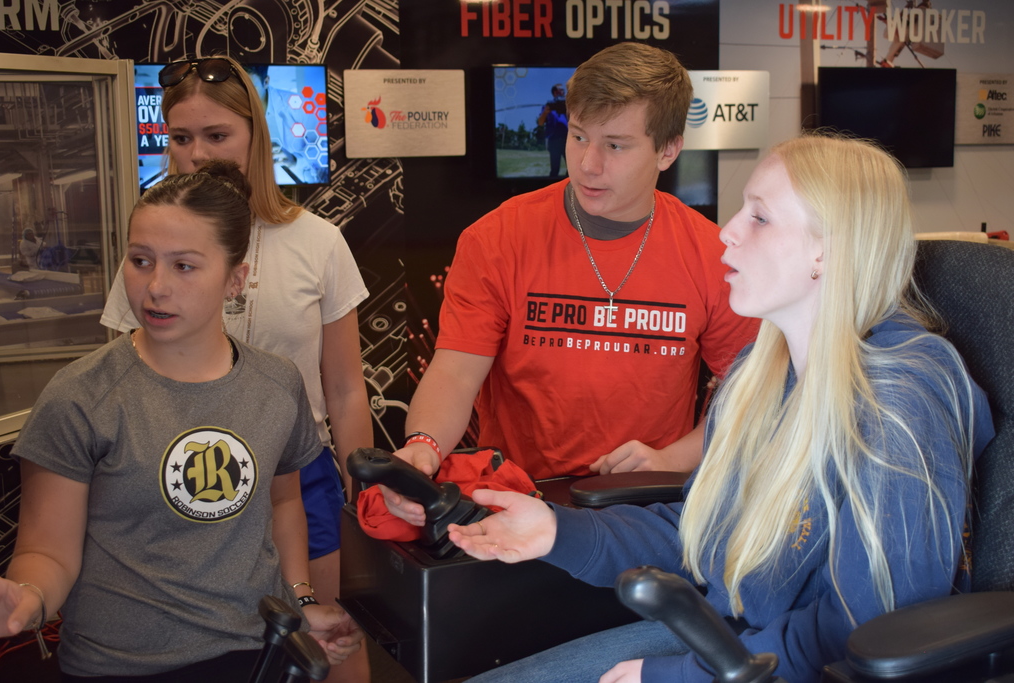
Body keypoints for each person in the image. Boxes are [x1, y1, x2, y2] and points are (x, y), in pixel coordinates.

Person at [446, 134, 995, 683]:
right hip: (740, 633)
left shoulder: (899, 399)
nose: (727, 233)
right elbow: (707, 532)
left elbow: (868, 630)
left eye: (759, 218)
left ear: (827, 249)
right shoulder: (763, 369)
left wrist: (671, 676)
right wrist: (556, 531)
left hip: (799, 665)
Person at [0, 161, 363, 680]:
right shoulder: (81, 396)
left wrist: (300, 601)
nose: (156, 287)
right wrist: (26, 600)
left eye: (184, 266)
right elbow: (45, 551)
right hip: (121, 665)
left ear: (235, 279)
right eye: (141, 260)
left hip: (257, 654)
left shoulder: (277, 385)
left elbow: (283, 503)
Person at [385, 42, 759, 527]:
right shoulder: (497, 238)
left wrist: (677, 458)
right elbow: (456, 371)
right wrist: (424, 446)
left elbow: (752, 390)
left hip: (651, 508)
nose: (588, 164)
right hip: (522, 501)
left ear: (668, 150)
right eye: (579, 136)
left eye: (615, 145)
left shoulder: (711, 253)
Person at [99, 56, 372, 682]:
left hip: (297, 472)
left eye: (216, 135)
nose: (196, 153)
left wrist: (365, 495)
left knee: (324, 631)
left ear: (255, 136)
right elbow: (120, 382)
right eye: (181, 138)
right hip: (185, 471)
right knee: (209, 647)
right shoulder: (151, 250)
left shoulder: (318, 243)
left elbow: (346, 388)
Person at [537, 82, 568, 177]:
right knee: (555, 169)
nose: (563, 92)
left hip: (567, 141)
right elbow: (540, 122)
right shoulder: (548, 105)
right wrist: (545, 112)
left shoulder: (567, 105)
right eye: (561, 90)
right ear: (555, 92)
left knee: (572, 169)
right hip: (553, 141)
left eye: (563, 90)